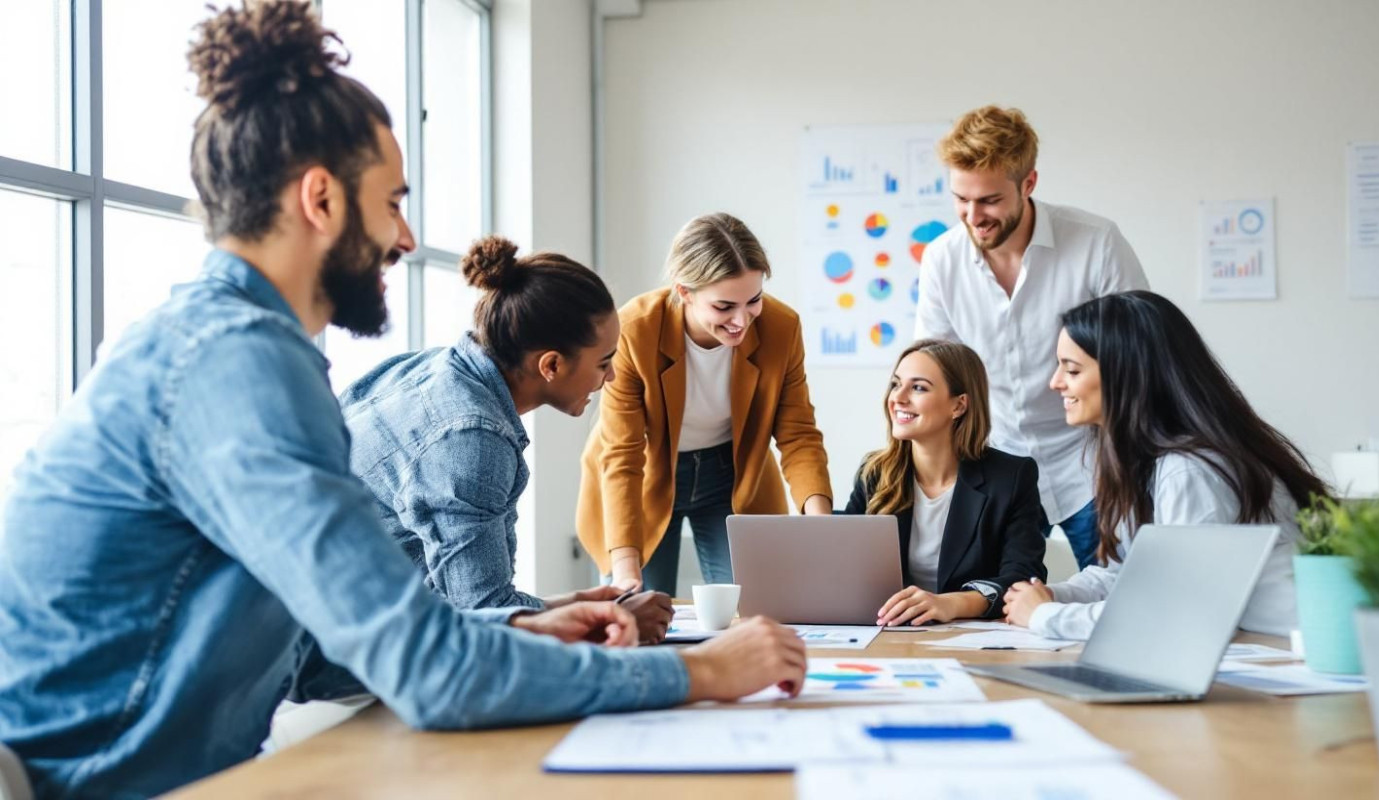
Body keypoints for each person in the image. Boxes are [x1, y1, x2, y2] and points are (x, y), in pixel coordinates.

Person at [0, 5, 804, 798]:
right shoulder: (235, 366)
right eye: (392, 203)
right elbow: (427, 675)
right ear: (320, 200)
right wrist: (694, 671)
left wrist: (520, 624)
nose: (409, 239)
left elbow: (308, 651)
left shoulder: (238, 348)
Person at [336, 235, 673, 643]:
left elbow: (477, 605)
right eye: (604, 363)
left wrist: (576, 605)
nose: (612, 378)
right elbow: (484, 618)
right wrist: (616, 621)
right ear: (550, 364)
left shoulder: (434, 370)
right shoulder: (471, 440)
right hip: (342, 646)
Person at [1002, 291, 1323, 639]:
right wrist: (1054, 596)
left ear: (1125, 375)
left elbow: (1173, 612)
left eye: (1072, 369)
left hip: (1294, 650)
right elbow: (1126, 573)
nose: (1055, 382)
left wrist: (1045, 617)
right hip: (1255, 643)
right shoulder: (1143, 463)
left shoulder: (1190, 472)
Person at [914, 105, 1150, 569]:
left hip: (1095, 465)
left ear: (1029, 184)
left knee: (1128, 595)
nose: (973, 216)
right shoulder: (942, 259)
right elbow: (933, 367)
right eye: (961, 199)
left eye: (990, 201)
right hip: (996, 463)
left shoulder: (1096, 242)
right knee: (987, 607)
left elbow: (1142, 359)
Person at [576, 213, 834, 595]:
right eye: (724, 306)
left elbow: (798, 434)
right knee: (643, 603)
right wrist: (627, 572)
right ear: (684, 292)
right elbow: (622, 455)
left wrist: (821, 529)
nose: (741, 320)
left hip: (730, 476)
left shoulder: (782, 327)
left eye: (754, 300)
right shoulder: (634, 329)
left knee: (751, 602)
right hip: (644, 473)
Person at [844, 340, 1046, 626]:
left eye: (919, 387)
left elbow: (1023, 577)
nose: (898, 398)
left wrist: (951, 603)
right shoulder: (874, 472)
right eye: (895, 384)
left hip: (969, 636)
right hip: (887, 630)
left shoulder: (1011, 477)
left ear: (959, 405)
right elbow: (843, 566)